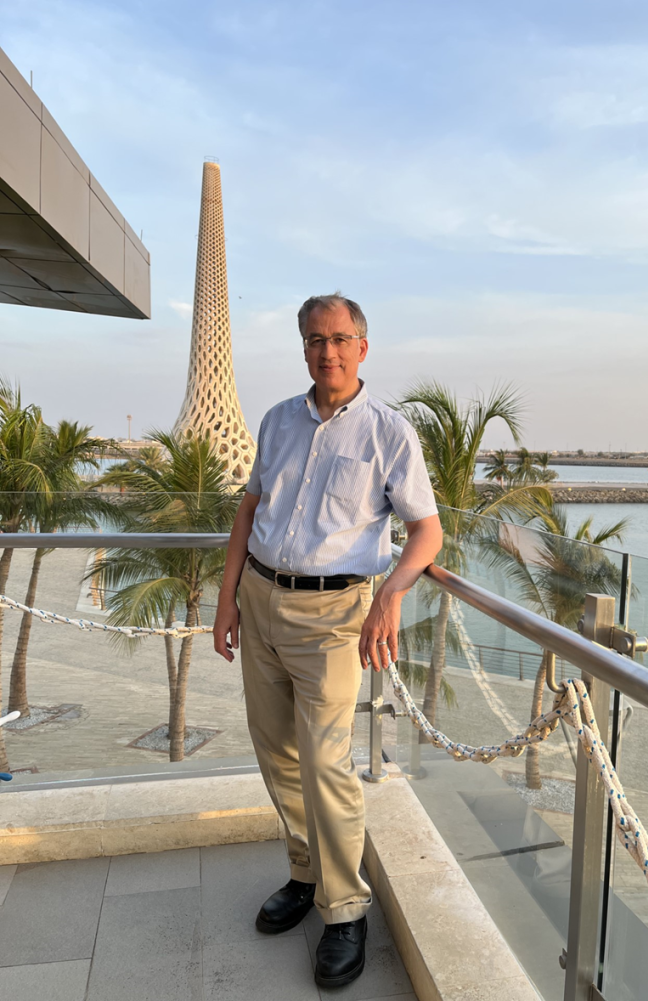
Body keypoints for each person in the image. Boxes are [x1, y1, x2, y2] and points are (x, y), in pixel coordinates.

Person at [213, 292, 442, 989]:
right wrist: (226, 599)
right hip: (261, 596)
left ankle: (344, 909)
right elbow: (250, 507)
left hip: (335, 616)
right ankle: (304, 871)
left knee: (326, 760)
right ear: (303, 346)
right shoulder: (280, 418)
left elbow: (426, 532)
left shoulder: (389, 432)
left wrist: (391, 596)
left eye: (340, 339)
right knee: (276, 749)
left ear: (362, 348)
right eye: (316, 339)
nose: (328, 351)